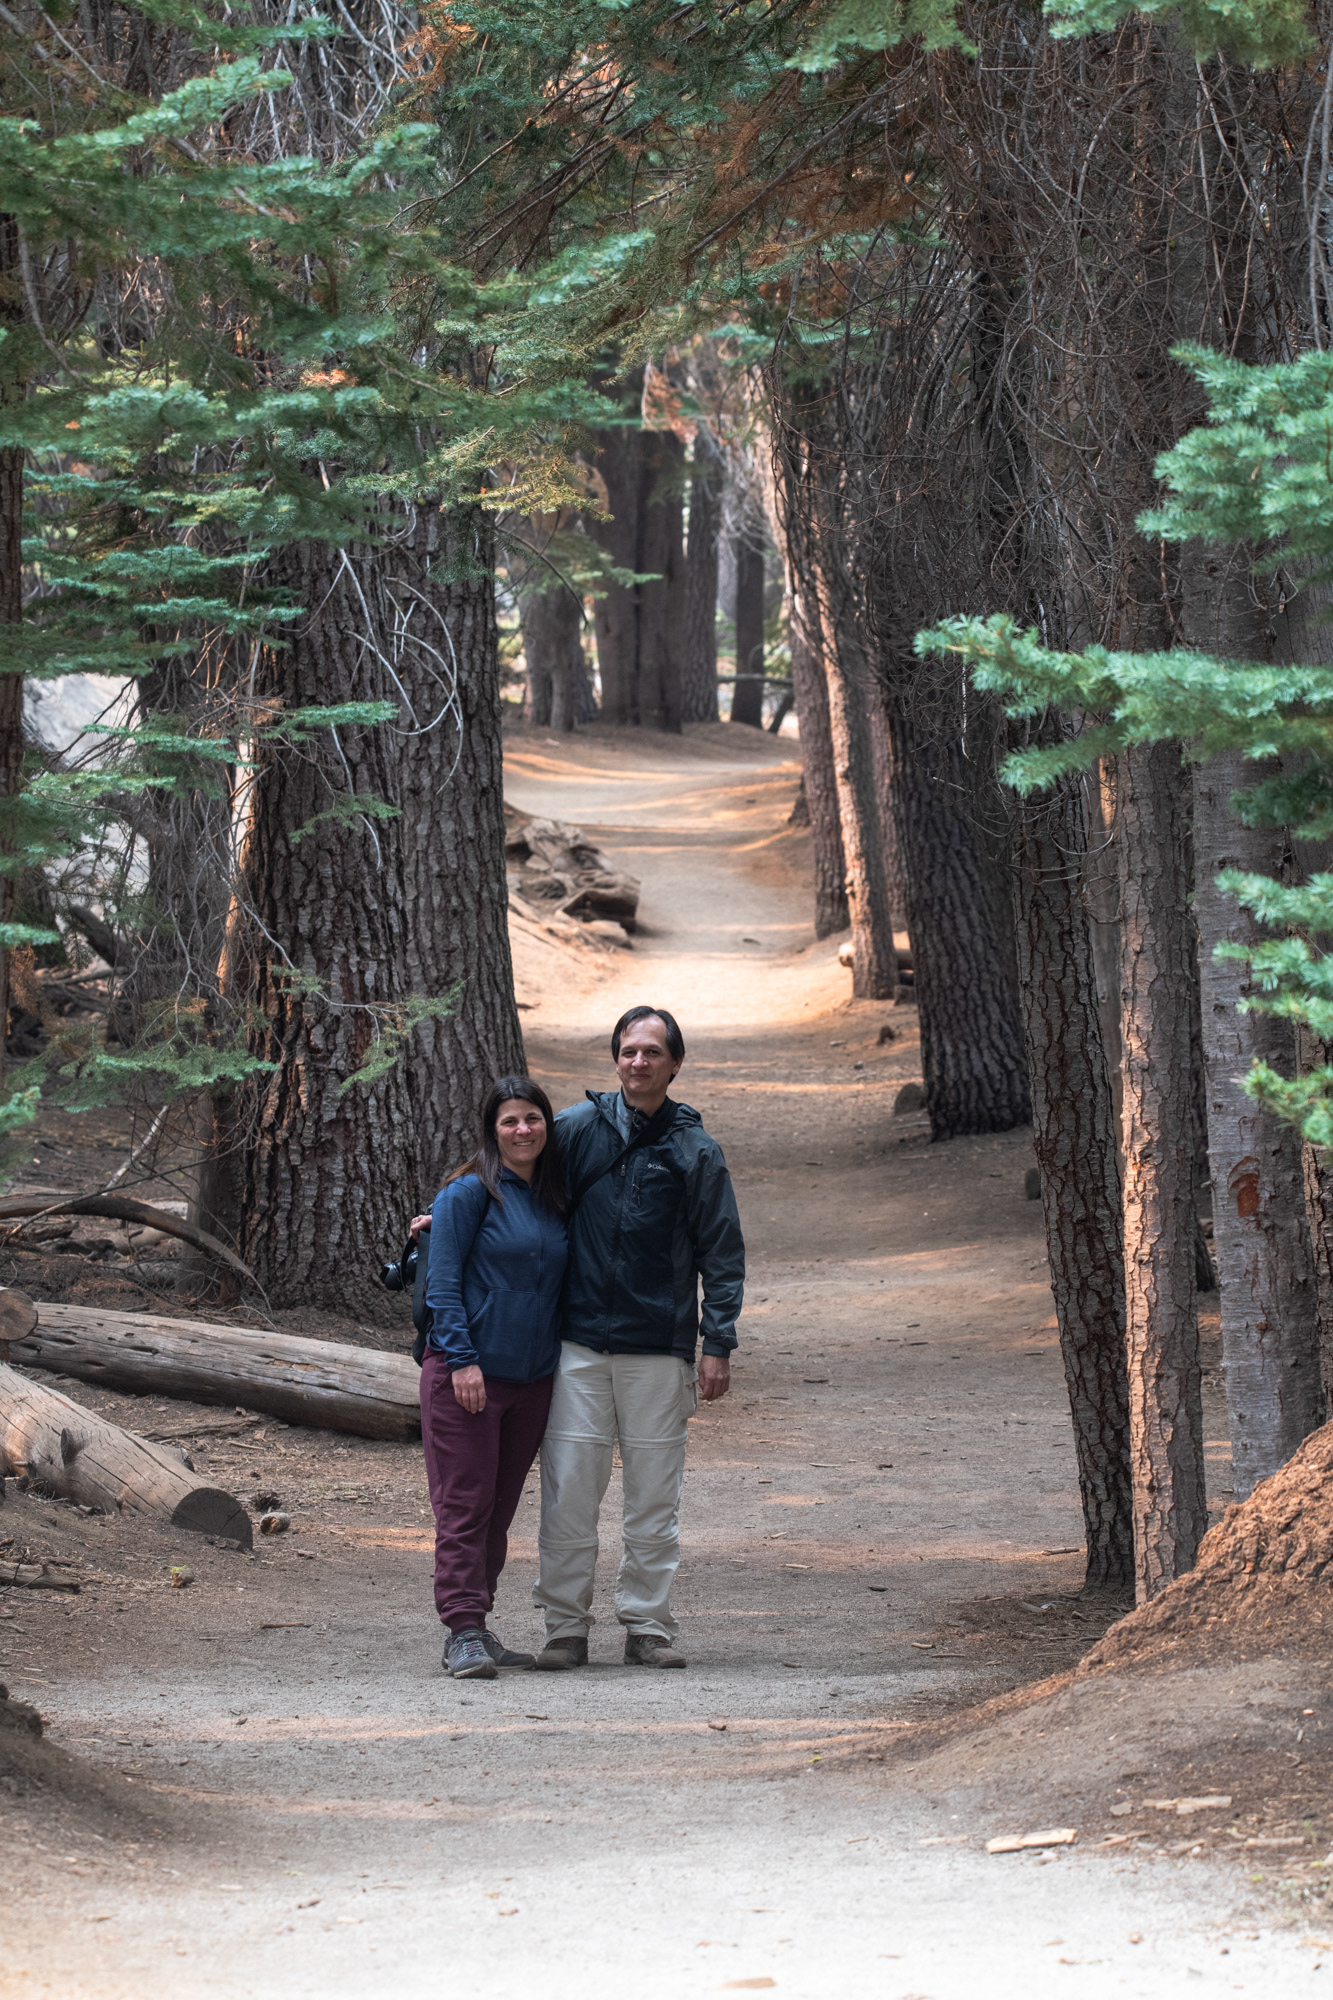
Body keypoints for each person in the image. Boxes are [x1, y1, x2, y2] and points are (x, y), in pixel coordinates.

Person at [533, 1006, 744, 1672]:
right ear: (614, 1058)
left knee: (653, 1496)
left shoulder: (694, 1151)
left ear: (674, 1064)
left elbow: (722, 1251)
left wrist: (717, 1343)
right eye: (628, 1050)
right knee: (569, 1491)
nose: (638, 1062)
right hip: (576, 1344)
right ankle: (564, 1627)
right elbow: (507, 1175)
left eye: (652, 1052)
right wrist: (446, 1211)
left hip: (659, 1346)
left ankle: (647, 1625)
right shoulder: (573, 1129)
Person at [415, 1075, 567, 1681]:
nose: (523, 1130)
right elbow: (443, 1285)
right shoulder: (468, 1194)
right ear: (492, 1130)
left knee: (499, 1511)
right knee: (464, 1507)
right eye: (510, 1121)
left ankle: (480, 1623)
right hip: (467, 1379)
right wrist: (461, 1359)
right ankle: (462, 1631)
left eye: (532, 1118)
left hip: (532, 1380)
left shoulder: (556, 1196)